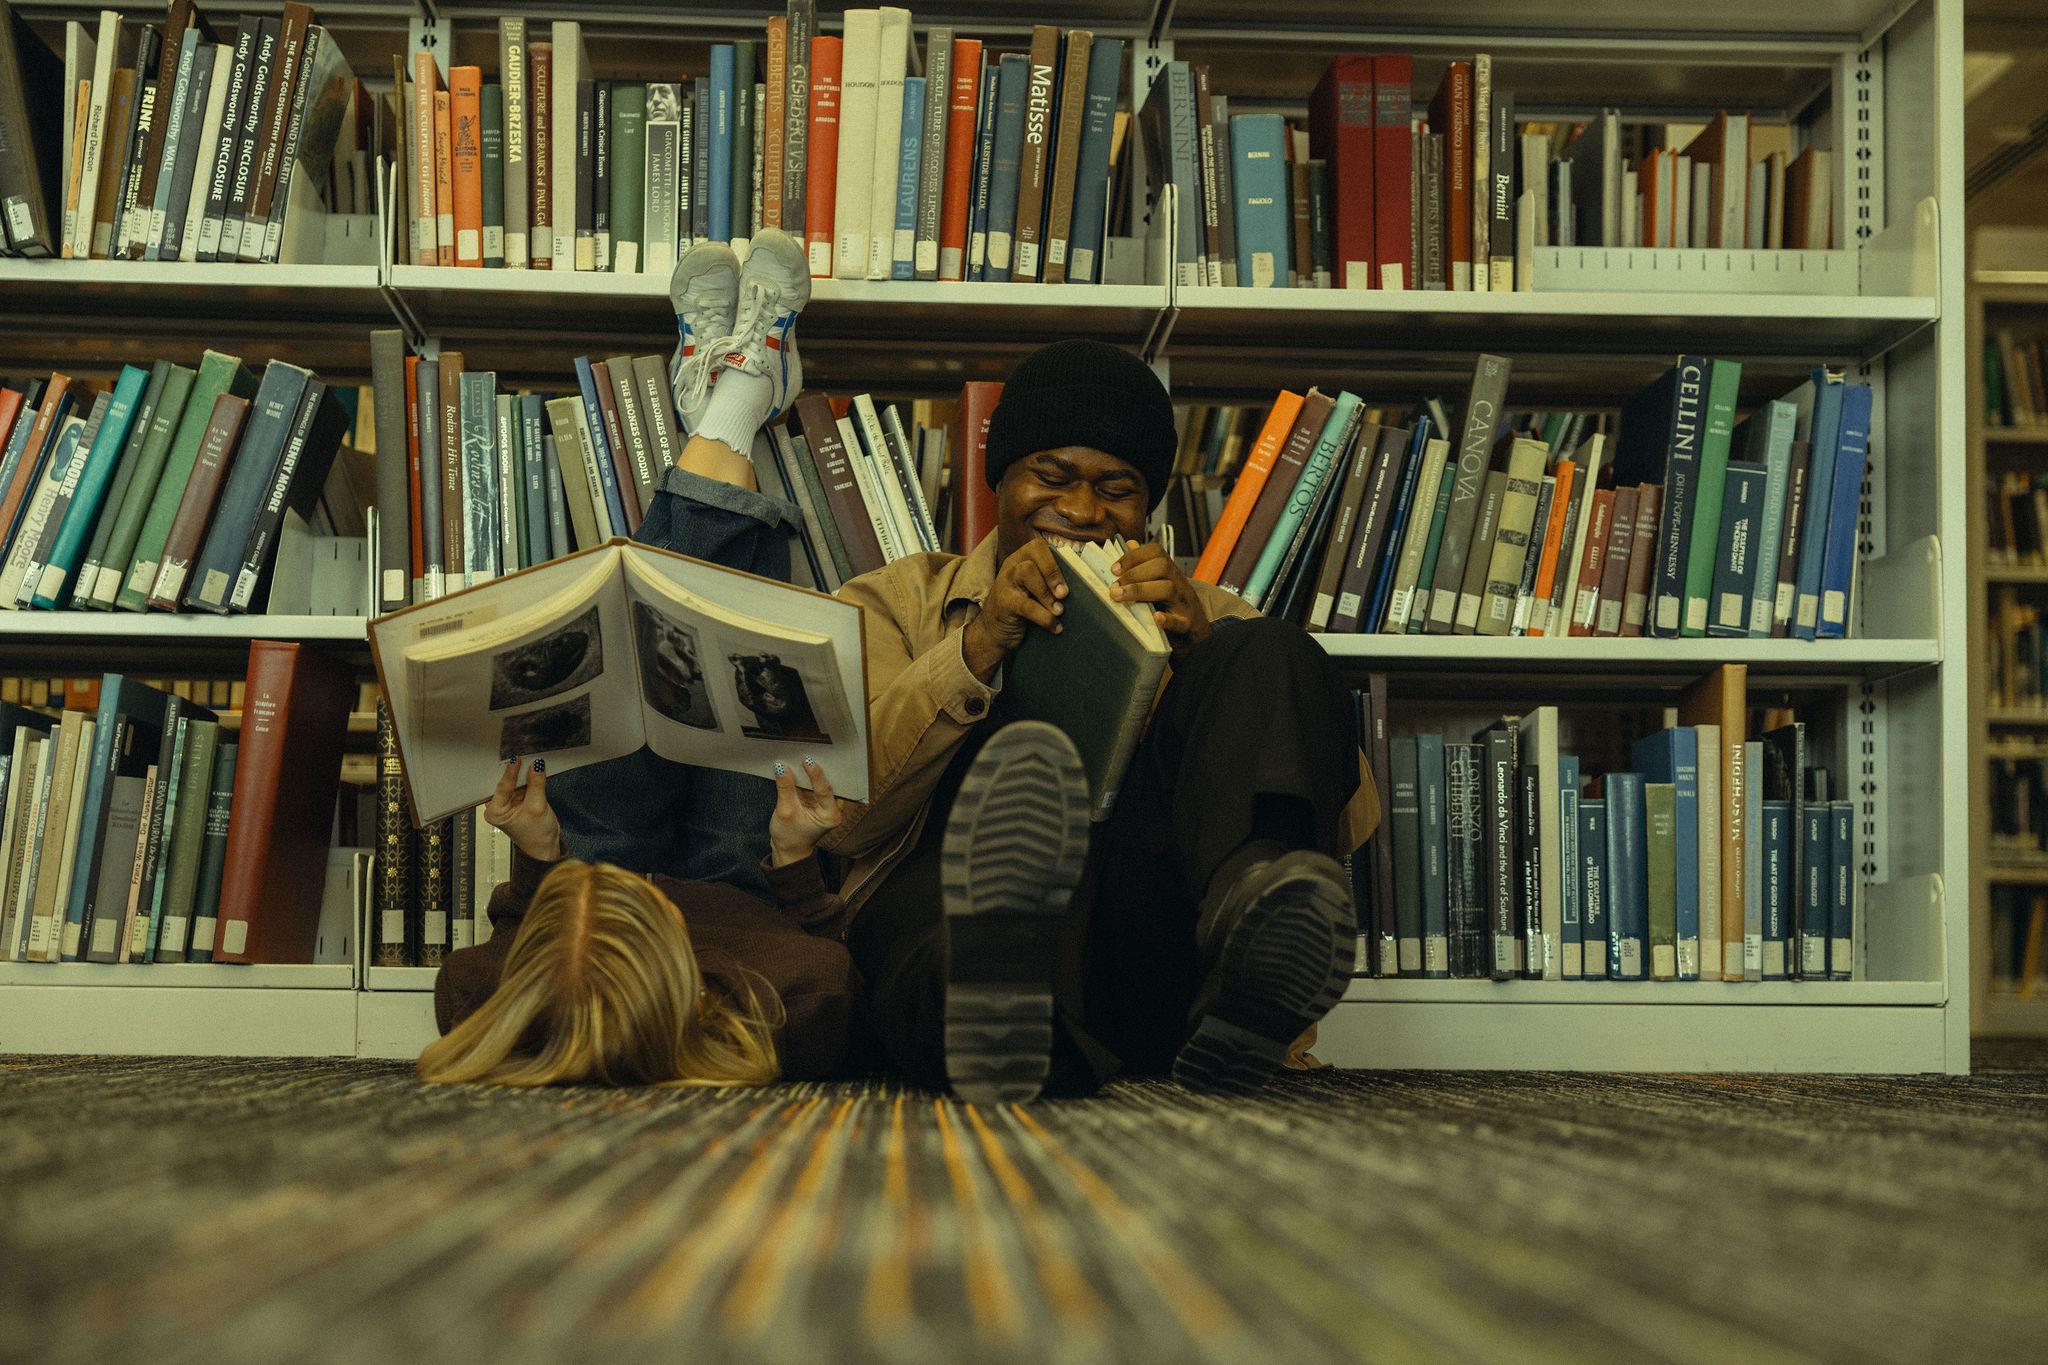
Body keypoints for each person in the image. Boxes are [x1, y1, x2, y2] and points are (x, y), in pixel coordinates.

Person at [824, 339, 1381, 1102]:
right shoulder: (893, 601)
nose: (1083, 511)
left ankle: (1246, 955)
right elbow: (843, 819)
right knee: (956, 928)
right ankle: (1001, 1002)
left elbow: (1348, 821)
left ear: (1146, 505)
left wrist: (1198, 661)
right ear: (1001, 480)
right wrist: (977, 645)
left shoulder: (1203, 613)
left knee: (1268, 645)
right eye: (1051, 477)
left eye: (1115, 488)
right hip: (942, 923)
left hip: (1142, 944)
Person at [421, 754, 869, 1086]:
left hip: (592, 859)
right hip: (741, 878)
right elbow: (828, 952)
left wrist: (540, 857)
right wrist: (793, 856)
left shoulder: (471, 993)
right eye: (646, 904)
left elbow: (522, 942)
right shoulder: (797, 998)